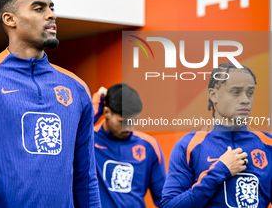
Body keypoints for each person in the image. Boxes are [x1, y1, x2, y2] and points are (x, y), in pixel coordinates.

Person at [0, 0, 101, 208]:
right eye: (39, 8)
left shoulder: (77, 88)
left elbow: (85, 174)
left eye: (52, 8)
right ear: (10, 19)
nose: (51, 15)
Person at [161, 63, 272, 207]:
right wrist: (220, 171)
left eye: (250, 93)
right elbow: (169, 206)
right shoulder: (189, 145)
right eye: (235, 92)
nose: (246, 100)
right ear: (214, 95)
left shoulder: (268, 144)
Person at [93, 83, 166, 208]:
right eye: (123, 122)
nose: (129, 127)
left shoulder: (149, 145)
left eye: (133, 120)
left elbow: (164, 199)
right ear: (106, 112)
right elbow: (72, 131)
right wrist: (96, 104)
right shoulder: (89, 139)